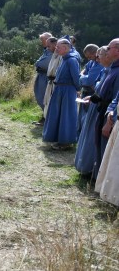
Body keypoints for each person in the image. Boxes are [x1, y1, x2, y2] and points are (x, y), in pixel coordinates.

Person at [75, 46, 119, 179]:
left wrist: (110, 118)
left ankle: (96, 174)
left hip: (106, 112)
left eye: (101, 54)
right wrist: (93, 97)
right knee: (92, 139)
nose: (97, 57)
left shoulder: (115, 71)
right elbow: (100, 89)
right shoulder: (109, 70)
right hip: (99, 109)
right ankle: (90, 170)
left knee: (100, 144)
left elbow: (114, 97)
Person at [42, 39, 80, 150]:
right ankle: (57, 138)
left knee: (66, 116)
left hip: (68, 90)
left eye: (58, 47)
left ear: (65, 48)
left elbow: (75, 77)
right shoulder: (64, 59)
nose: (56, 49)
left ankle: (66, 142)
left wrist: (78, 89)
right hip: (59, 89)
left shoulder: (72, 60)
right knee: (57, 115)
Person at [77, 44, 103, 136]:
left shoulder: (100, 64)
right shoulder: (91, 62)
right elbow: (82, 73)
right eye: (87, 57)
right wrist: (83, 76)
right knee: (81, 116)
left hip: (93, 94)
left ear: (96, 53)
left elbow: (89, 80)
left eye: (90, 56)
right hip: (85, 92)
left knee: (88, 118)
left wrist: (82, 77)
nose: (89, 59)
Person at [33, 32, 53, 125]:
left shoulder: (51, 51)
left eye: (42, 40)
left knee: (44, 98)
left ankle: (46, 118)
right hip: (41, 75)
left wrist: (38, 63)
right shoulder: (46, 50)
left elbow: (41, 63)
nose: (41, 42)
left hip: (46, 77)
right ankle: (45, 117)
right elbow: (38, 61)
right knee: (40, 96)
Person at [43, 37, 60, 118]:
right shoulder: (55, 54)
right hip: (51, 83)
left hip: (57, 84)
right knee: (48, 103)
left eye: (49, 46)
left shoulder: (62, 56)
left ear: (55, 44)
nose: (47, 48)